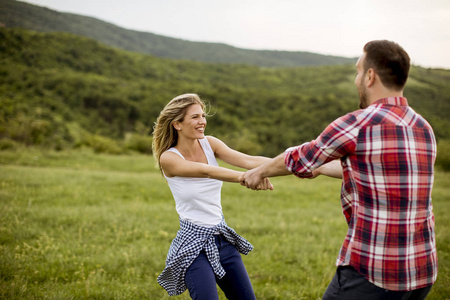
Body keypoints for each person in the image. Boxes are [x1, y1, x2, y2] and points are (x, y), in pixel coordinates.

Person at [240, 40, 437, 299]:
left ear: (370, 76)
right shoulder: (422, 127)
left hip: (374, 271)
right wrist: (322, 169)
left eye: (357, 71)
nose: (356, 79)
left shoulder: (359, 123)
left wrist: (259, 172)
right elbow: (375, 173)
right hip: (421, 269)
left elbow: (301, 158)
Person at [152, 93, 272, 299]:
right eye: (195, 117)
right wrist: (246, 178)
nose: (203, 122)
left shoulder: (210, 143)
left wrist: (294, 163)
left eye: (203, 116)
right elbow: (207, 171)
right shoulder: (169, 158)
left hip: (223, 240)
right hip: (193, 245)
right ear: (177, 124)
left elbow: (248, 159)